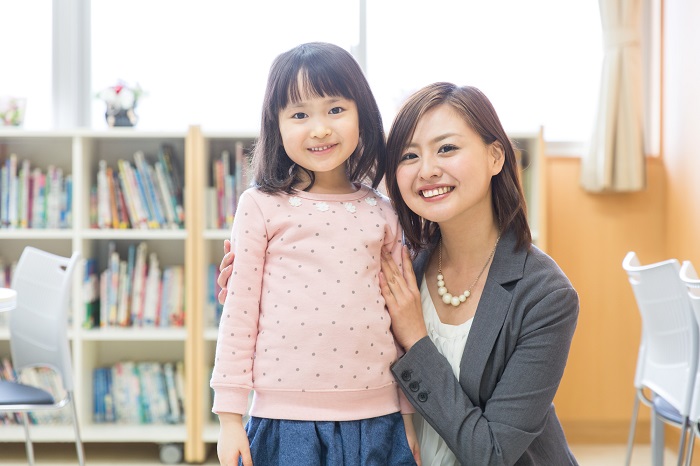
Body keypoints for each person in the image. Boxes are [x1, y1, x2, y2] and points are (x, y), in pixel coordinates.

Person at [218, 82, 580, 465]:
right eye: (409, 155)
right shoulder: (396, 259)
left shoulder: (546, 295)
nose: (428, 170)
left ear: (495, 156)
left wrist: (416, 337)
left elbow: (490, 454)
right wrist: (265, 289)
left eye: (447, 148)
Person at [209, 42, 419, 466]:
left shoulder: (383, 211)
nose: (319, 128)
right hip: (284, 419)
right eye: (300, 115)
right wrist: (230, 419)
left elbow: (398, 321)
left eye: (335, 110)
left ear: (363, 114)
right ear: (277, 125)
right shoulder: (260, 205)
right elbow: (239, 314)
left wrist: (408, 417)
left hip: (378, 416)